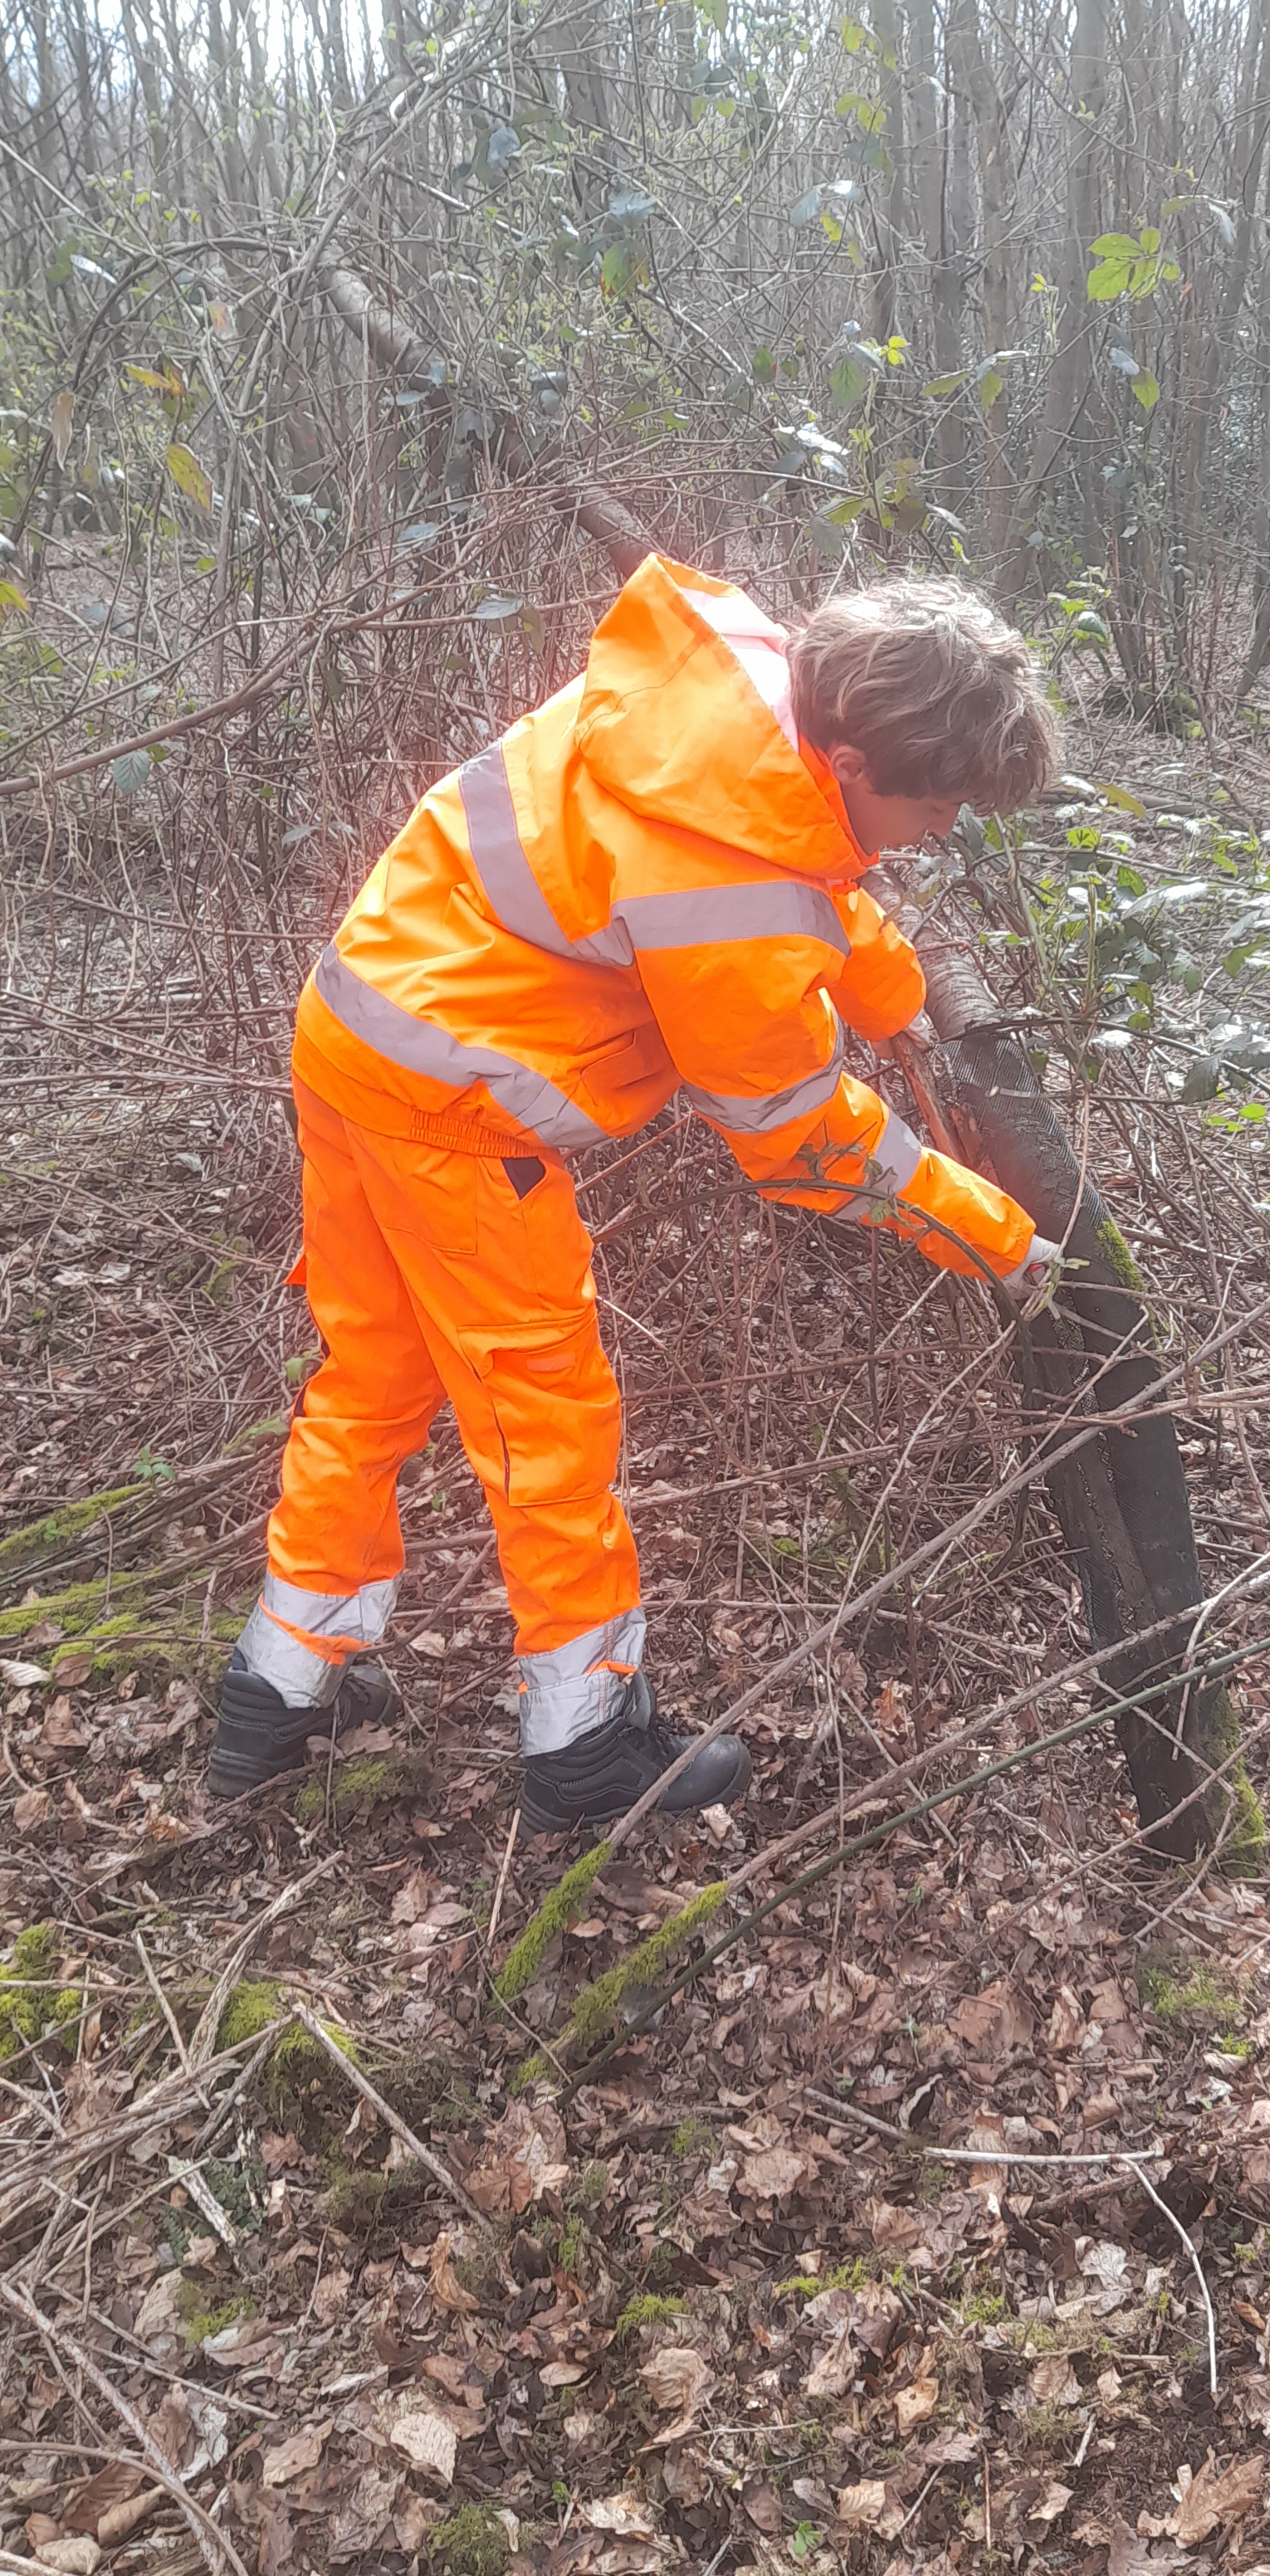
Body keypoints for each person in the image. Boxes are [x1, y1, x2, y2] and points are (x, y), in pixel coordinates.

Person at [206, 556, 1062, 1832]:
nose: (942, 830)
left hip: (356, 1027)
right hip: (449, 1102)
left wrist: (896, 996)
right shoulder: (731, 888)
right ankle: (585, 1739)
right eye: (938, 805)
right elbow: (796, 1137)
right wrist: (995, 1236)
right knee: (545, 1415)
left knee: (374, 1376)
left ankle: (276, 1693)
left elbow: (799, 869)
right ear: (858, 763)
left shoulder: (731, 695)